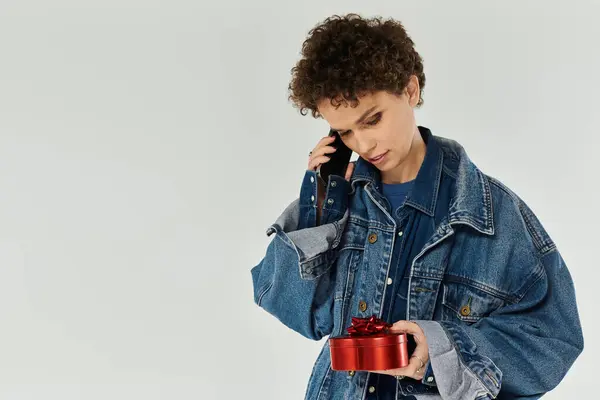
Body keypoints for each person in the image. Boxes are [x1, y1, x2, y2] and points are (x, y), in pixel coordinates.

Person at [250, 13, 584, 400]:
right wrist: (317, 209)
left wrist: (438, 352)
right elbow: (303, 315)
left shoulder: (491, 215)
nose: (363, 144)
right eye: (344, 132)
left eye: (372, 119)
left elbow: (553, 342)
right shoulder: (339, 205)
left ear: (410, 90)